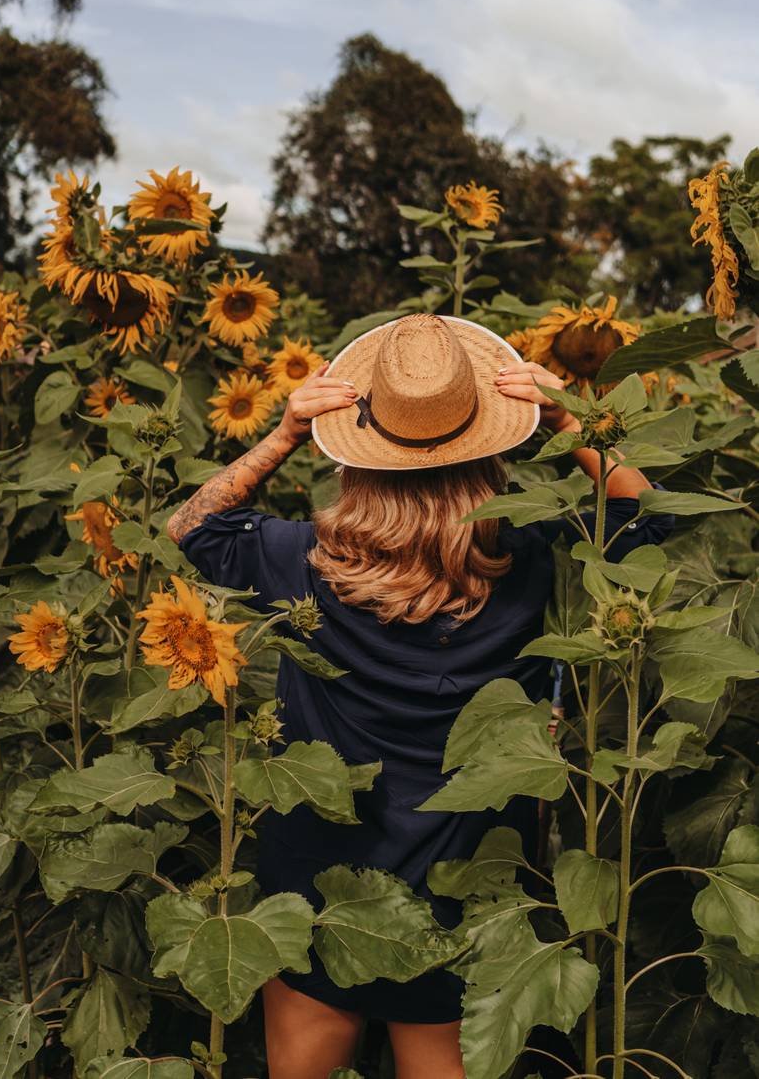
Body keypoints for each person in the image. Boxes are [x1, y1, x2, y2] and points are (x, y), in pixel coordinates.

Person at [166, 313, 674, 1079]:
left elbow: (191, 528)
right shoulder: (527, 563)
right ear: (491, 451)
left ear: (357, 456)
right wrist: (569, 421)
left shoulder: (301, 561)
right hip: (462, 892)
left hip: (318, 882)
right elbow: (648, 523)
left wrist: (282, 435)